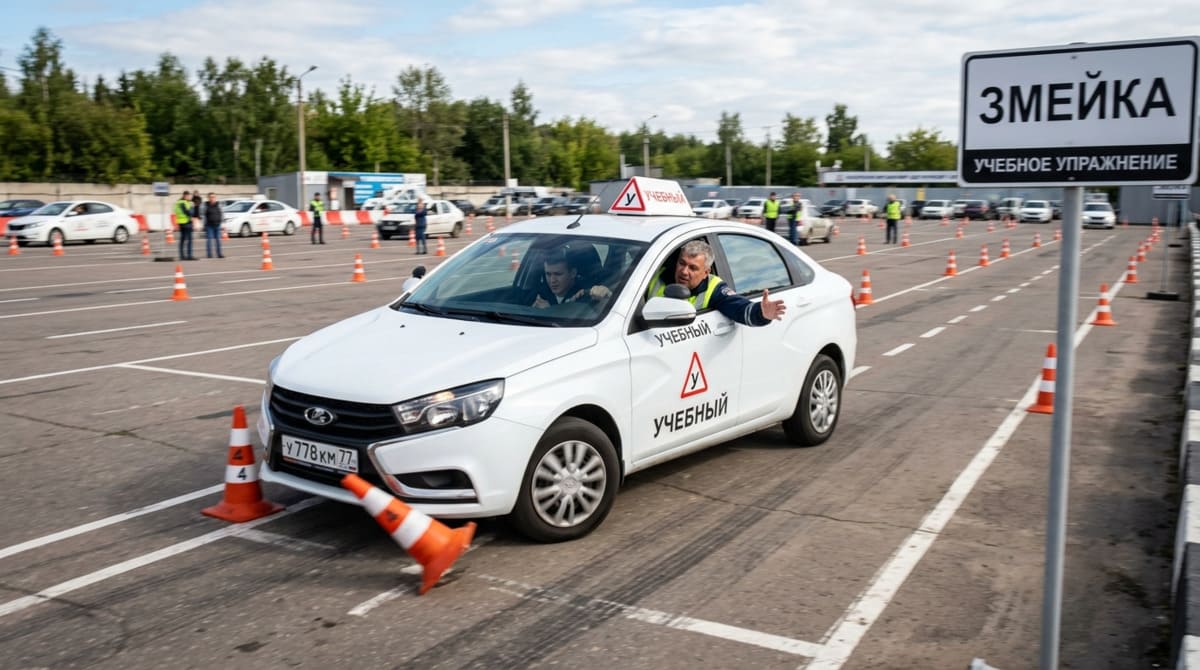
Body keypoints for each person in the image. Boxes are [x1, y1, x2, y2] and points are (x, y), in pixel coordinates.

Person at [646, 239, 785, 325]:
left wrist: (760, 312)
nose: (684, 271)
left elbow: (739, 308)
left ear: (706, 272)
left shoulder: (714, 288)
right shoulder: (656, 274)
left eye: (693, 268)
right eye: (682, 263)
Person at [532, 247, 612, 308]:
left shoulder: (587, 294)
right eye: (548, 274)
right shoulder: (537, 293)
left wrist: (549, 311)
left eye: (558, 274)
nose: (552, 280)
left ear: (573, 273)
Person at [175, 190, 196, 260]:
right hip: (186, 222)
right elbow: (189, 212)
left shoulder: (178, 202)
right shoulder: (183, 202)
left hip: (181, 223)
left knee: (182, 240)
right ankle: (189, 255)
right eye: (188, 196)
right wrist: (192, 207)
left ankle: (182, 256)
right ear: (185, 195)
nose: (188, 197)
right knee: (189, 239)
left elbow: (176, 212)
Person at [202, 192, 224, 258]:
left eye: (213, 197)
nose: (212, 198)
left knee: (218, 240)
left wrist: (222, 223)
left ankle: (219, 254)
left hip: (217, 224)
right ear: (208, 198)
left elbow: (222, 213)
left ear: (215, 198)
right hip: (209, 225)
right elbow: (202, 215)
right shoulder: (205, 205)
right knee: (209, 240)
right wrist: (203, 224)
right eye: (210, 197)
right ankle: (209, 254)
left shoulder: (219, 205)